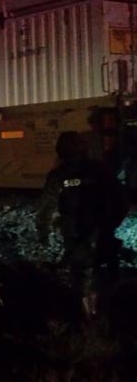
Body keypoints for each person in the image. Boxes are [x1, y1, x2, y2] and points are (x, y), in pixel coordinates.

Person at [37, 131, 128, 318]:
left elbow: (46, 208)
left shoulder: (58, 175)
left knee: (81, 275)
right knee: (106, 274)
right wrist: (109, 224)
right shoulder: (99, 170)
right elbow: (121, 201)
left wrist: (44, 232)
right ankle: (108, 314)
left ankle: (87, 316)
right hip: (99, 232)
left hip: (76, 234)